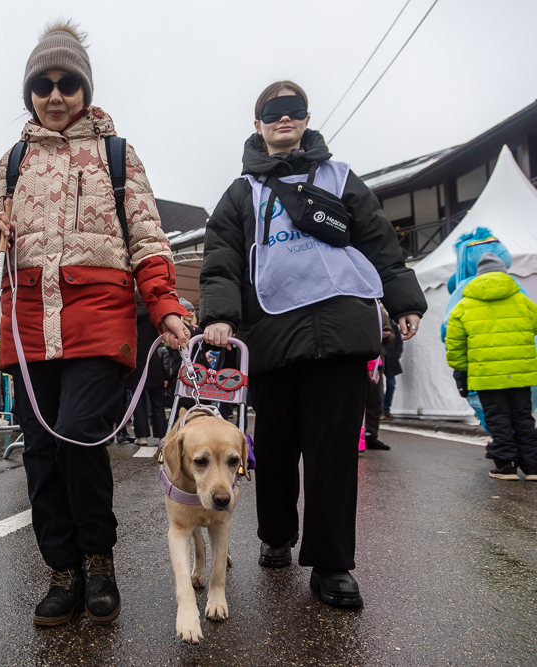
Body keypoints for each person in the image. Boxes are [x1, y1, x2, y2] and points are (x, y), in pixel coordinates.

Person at [0, 20, 189, 626]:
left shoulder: (118, 154)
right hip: (28, 325)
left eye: (68, 83)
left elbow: (147, 237)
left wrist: (164, 304)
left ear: (85, 90)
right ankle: (61, 571)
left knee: (76, 434)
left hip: (97, 318)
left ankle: (98, 560)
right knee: (39, 450)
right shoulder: (11, 163)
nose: (55, 95)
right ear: (30, 92)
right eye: (43, 84)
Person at [199, 81, 426, 608]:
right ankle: (276, 534)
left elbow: (378, 241)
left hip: (343, 328)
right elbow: (222, 258)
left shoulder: (340, 177)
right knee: (275, 449)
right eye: (272, 113)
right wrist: (220, 317)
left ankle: (331, 565)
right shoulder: (241, 193)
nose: (284, 119)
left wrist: (403, 299)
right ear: (257, 126)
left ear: (305, 119)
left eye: (294, 111)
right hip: (273, 336)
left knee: (333, 452)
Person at [445, 253, 537, 481]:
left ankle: (505, 466)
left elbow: (455, 342)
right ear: (504, 272)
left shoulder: (464, 303)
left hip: (485, 374)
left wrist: (460, 369)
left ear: (479, 275)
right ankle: (533, 467)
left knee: (498, 418)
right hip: (519, 372)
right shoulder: (521, 298)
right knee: (523, 417)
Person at [129, 294, 167, 445]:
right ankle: (162, 436)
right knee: (158, 400)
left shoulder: (129, 316)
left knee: (138, 400)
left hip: (135, 361)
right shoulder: (152, 314)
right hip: (152, 361)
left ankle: (142, 436)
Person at [363, 305, 395, 450]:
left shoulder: (380, 311)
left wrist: (386, 335)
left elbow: (392, 338)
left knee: (375, 401)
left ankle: (371, 435)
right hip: (357, 361)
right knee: (354, 402)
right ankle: (354, 438)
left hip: (377, 361)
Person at [382, 315, 403, 419]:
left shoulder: (392, 325)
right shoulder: (375, 322)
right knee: (379, 386)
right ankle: (382, 410)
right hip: (380, 359)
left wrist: (397, 353)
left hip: (390, 359)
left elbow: (399, 341)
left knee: (391, 385)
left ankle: (386, 409)